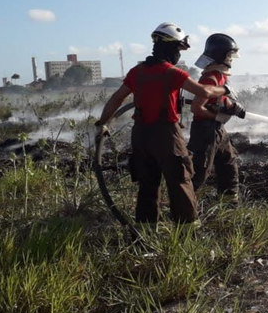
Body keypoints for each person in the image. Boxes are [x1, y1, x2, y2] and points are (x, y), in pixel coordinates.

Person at [94, 22, 230, 224]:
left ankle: (145, 232)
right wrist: (225, 90)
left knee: (148, 184)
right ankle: (187, 233)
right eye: (179, 49)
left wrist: (102, 124)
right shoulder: (173, 73)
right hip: (166, 136)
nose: (179, 55)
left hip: (140, 136)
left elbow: (117, 98)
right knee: (180, 182)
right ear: (172, 48)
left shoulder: (137, 71)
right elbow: (205, 92)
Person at [187, 33, 247, 203]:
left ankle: (229, 203)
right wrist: (216, 115)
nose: (231, 59)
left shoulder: (220, 75)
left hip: (217, 129)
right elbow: (196, 108)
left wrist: (230, 105)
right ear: (221, 55)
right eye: (229, 55)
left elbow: (217, 99)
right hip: (205, 131)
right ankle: (182, 207)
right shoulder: (210, 77)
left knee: (229, 163)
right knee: (199, 171)